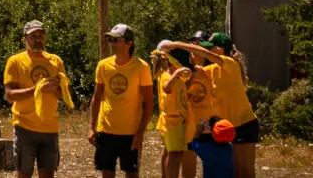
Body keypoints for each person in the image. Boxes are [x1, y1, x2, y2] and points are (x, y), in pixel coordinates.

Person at [165, 33, 258, 178]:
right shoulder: (212, 69)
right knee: (236, 171)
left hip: (244, 123)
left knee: (246, 171)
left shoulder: (229, 63)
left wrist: (177, 44)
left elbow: (204, 54)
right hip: (230, 127)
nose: (208, 51)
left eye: (211, 48)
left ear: (220, 49)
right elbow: (194, 75)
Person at [86, 24, 153, 178]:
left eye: (116, 40)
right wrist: (91, 127)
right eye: (110, 40)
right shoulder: (103, 66)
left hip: (130, 132)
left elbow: (148, 102)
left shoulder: (141, 67)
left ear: (129, 43)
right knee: (107, 172)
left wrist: (140, 133)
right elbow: (96, 98)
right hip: (106, 130)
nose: (112, 44)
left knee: (131, 173)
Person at [2, 20, 66, 178]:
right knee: (24, 173)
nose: (37, 39)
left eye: (41, 36)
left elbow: (66, 95)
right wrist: (36, 89)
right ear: (24, 39)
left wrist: (57, 88)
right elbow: (10, 96)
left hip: (50, 128)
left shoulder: (55, 61)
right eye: (33, 36)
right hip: (25, 127)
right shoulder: (15, 61)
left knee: (48, 174)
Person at [151, 43, 194, 178]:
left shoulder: (178, 78)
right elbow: (166, 88)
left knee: (178, 153)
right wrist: (176, 74)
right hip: (171, 121)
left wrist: (188, 73)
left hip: (179, 120)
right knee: (173, 153)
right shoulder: (165, 76)